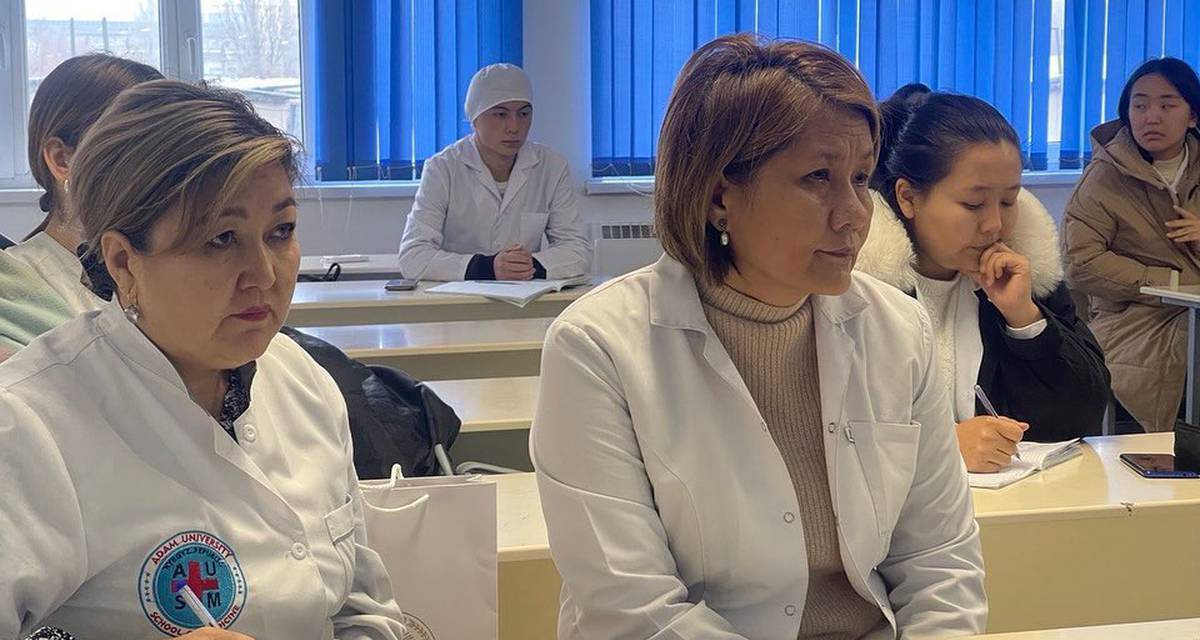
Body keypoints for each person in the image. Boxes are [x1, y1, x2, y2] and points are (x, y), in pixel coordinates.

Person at [530, 35, 986, 639]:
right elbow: (636, 610)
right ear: (719, 195)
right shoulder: (597, 347)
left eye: (860, 177)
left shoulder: (897, 329)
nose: (855, 213)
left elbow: (940, 560)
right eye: (818, 177)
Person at [0, 80, 405, 639]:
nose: (264, 274)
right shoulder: (28, 426)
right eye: (220, 239)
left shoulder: (304, 381)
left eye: (281, 231)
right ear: (123, 263)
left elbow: (363, 611)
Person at [858, 89, 1110, 472]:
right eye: (973, 204)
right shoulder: (858, 291)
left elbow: (1082, 415)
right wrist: (941, 448)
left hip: (1010, 502)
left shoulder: (1026, 275)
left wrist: (1025, 320)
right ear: (907, 197)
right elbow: (828, 431)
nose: (994, 225)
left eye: (1008, 202)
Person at [1064, 57, 1200, 432]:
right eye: (1139, 106)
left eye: (1167, 105)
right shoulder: (1104, 176)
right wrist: (1167, 282)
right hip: (1135, 318)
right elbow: (1081, 263)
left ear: (1192, 116)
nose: (1151, 117)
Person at [397, 63, 591, 281]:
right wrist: (488, 268)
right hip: (460, 297)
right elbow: (413, 256)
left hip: (527, 295)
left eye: (523, 114)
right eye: (500, 114)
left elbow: (577, 249)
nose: (514, 127)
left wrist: (528, 266)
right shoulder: (442, 168)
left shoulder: (551, 167)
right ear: (475, 118)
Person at [5, 53, 162, 314]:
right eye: (137, 149)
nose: (162, 173)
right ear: (62, 159)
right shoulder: (14, 295)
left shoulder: (173, 271)